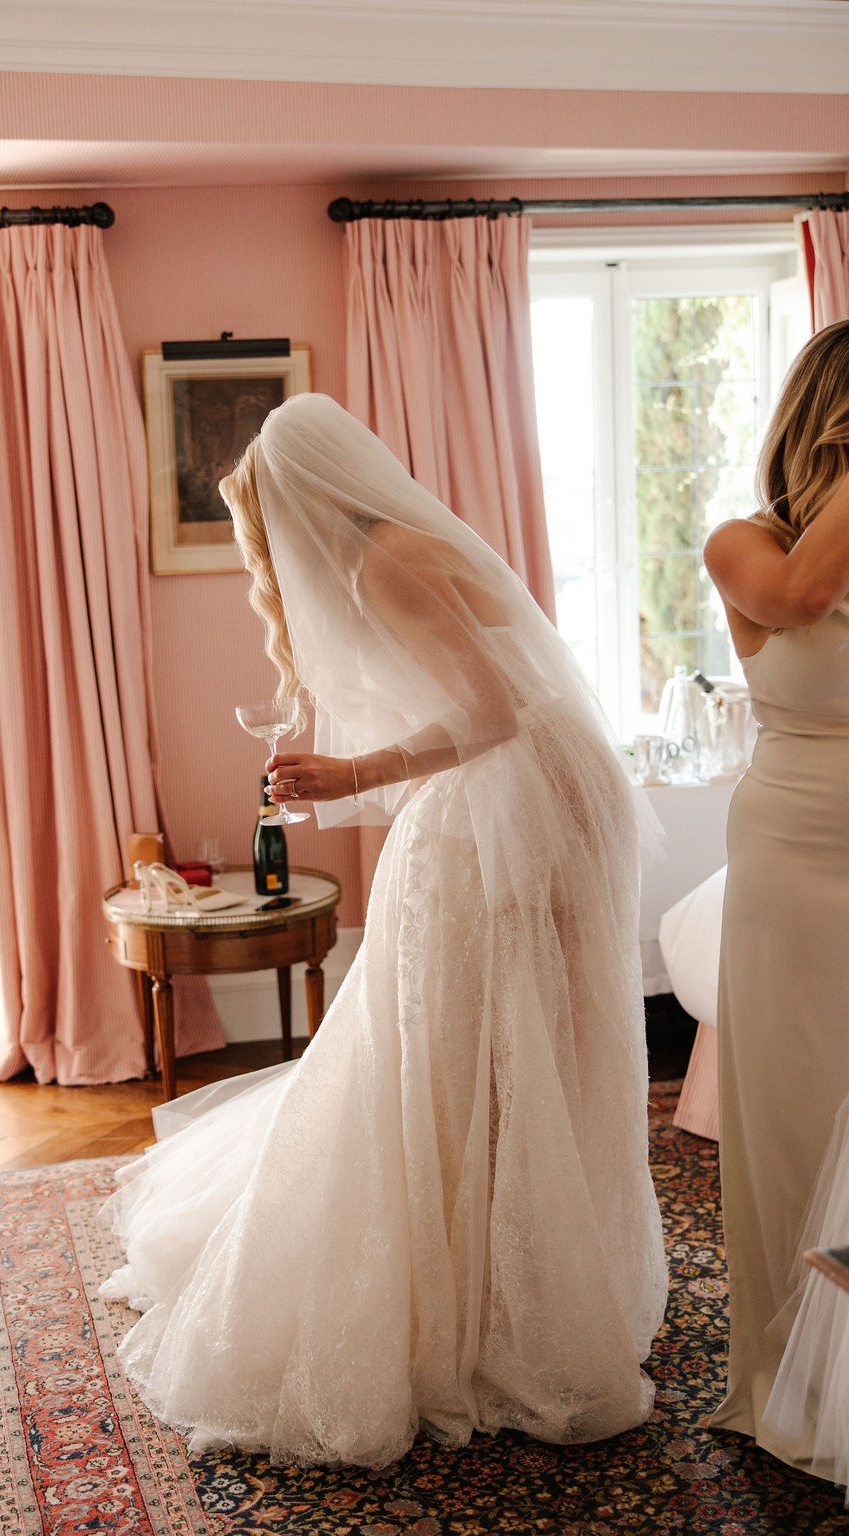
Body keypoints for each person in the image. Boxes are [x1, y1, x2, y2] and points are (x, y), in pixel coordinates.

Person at [99, 392, 668, 1469]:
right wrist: (353, 784)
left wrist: (355, 772)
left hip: (519, 798)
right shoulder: (405, 544)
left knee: (467, 1029)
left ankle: (493, 1291)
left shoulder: (381, 565)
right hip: (541, 793)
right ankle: (515, 1272)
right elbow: (485, 705)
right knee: (512, 1030)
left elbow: (492, 713)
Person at [702, 316, 849, 1481]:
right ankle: (792, 1379)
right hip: (798, 861)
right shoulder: (742, 543)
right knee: (801, 1117)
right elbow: (802, 599)